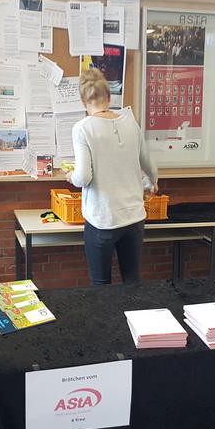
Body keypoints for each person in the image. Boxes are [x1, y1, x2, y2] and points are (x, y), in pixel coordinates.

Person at [66, 68, 158, 285]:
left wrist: (70, 176)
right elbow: (150, 167)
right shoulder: (130, 123)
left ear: (83, 101)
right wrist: (150, 182)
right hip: (134, 218)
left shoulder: (83, 128)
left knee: (101, 284)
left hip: (103, 219)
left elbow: (83, 177)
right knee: (132, 279)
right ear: (109, 97)